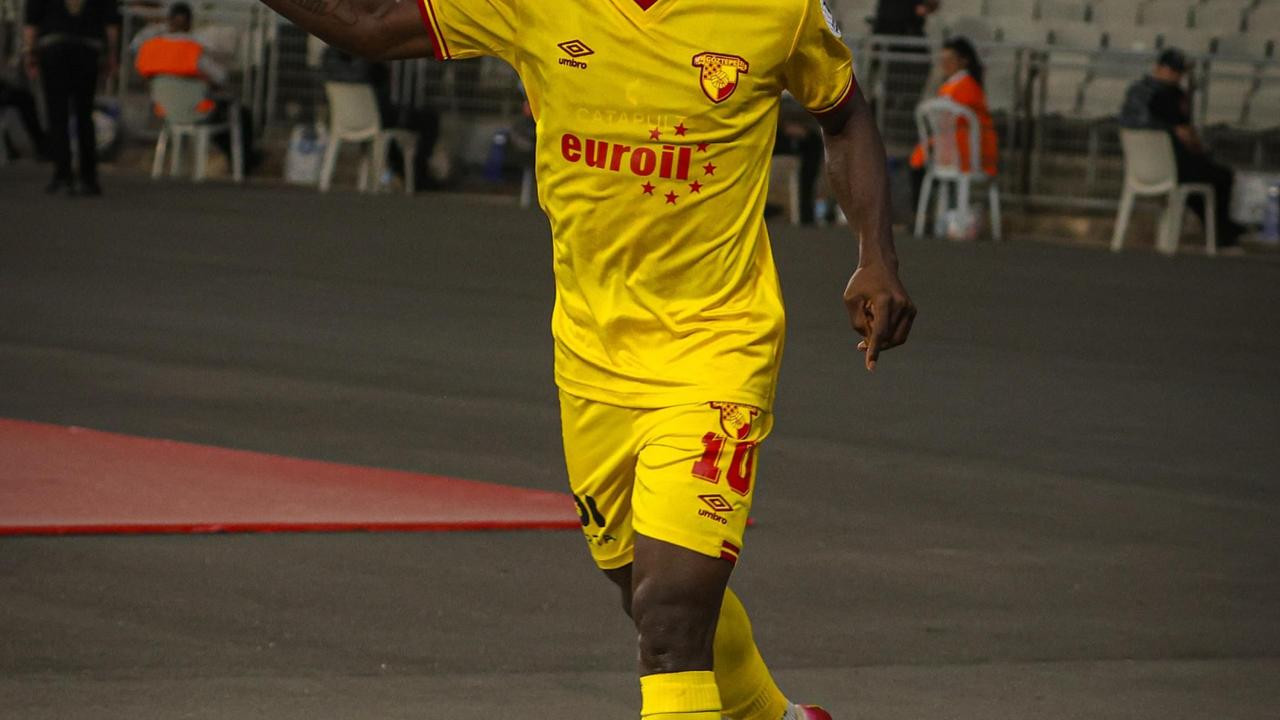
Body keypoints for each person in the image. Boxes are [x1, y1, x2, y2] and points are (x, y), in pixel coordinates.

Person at [256, 1, 917, 719]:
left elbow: (843, 114)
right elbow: (371, 24)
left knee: (671, 619)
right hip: (590, 357)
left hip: (716, 347)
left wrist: (875, 254)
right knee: (643, 591)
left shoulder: (777, 9)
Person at [1120, 48, 1246, 249]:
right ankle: (1222, 232)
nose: (1177, 76)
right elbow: (1185, 134)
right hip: (1171, 165)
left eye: (1179, 71)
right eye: (1174, 70)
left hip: (1139, 167)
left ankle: (1222, 231)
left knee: (1201, 183)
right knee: (1221, 176)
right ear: (1160, 68)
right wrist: (1199, 149)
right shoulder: (1169, 95)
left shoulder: (1136, 91)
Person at [133, 2, 260, 175]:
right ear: (189, 23)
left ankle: (240, 160)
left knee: (221, 119)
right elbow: (221, 76)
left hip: (165, 111)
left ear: (169, 21)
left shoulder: (150, 47)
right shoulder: (194, 48)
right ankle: (245, 163)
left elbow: (141, 72)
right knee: (239, 115)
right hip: (197, 110)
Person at [22, 0, 121, 195]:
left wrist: (30, 53)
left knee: (57, 114)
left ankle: (62, 175)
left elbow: (31, 23)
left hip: (53, 46)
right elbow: (111, 25)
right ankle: (88, 177)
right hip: (88, 48)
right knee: (84, 113)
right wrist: (111, 55)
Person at [320, 45, 439, 189]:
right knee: (429, 120)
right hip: (377, 118)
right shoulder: (367, 59)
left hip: (343, 119)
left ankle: (411, 173)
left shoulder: (329, 59)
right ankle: (417, 172)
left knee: (390, 135)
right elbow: (371, 79)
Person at [909, 36, 998, 212]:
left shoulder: (966, 86)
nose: (944, 64)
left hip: (970, 151)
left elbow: (952, 121)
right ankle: (937, 214)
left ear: (963, 61)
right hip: (956, 148)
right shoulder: (955, 84)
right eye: (942, 59)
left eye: (950, 59)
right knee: (921, 161)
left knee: (921, 165)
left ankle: (927, 215)